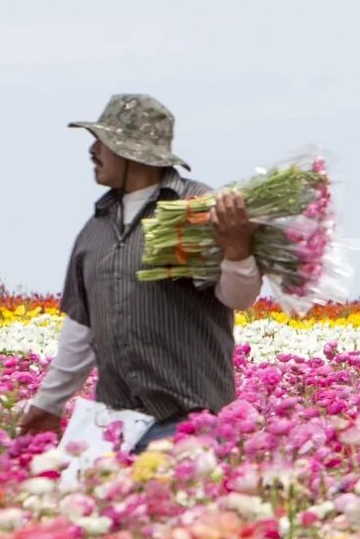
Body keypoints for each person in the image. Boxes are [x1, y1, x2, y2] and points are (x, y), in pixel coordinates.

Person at [16, 94, 261, 449]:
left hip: (189, 426)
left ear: (131, 151)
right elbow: (82, 328)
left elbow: (239, 297)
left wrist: (238, 249)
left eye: (103, 142)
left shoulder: (195, 209)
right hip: (114, 429)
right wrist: (48, 404)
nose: (93, 150)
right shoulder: (96, 229)